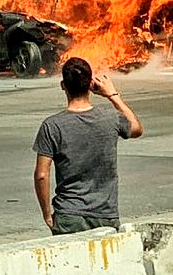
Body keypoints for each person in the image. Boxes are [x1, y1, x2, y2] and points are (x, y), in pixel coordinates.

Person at [33, 58, 143, 235]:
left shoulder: (51, 126)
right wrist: (113, 95)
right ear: (90, 84)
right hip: (105, 213)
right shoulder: (111, 118)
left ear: (63, 85)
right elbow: (136, 128)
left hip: (69, 214)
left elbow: (41, 175)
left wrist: (47, 214)